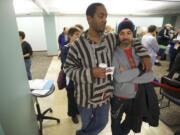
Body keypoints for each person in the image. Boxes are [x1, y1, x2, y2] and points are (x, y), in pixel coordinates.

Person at [64, 3, 151, 135]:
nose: (105, 19)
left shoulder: (110, 38)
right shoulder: (77, 45)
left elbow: (130, 39)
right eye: (101, 16)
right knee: (86, 125)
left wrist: (144, 55)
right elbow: (68, 69)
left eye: (106, 16)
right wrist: (91, 72)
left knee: (102, 122)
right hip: (85, 97)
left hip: (105, 95)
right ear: (89, 18)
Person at [111, 18, 156, 135]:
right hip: (119, 97)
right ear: (118, 35)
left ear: (133, 35)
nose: (125, 36)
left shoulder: (141, 52)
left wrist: (127, 76)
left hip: (137, 97)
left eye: (128, 33)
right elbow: (118, 78)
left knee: (130, 123)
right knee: (115, 124)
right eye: (122, 33)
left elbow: (151, 75)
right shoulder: (113, 53)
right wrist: (140, 69)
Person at [61, 27, 81, 124]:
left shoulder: (81, 47)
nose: (79, 36)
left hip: (80, 77)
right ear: (70, 36)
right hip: (71, 77)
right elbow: (65, 64)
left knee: (79, 95)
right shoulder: (66, 48)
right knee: (71, 96)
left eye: (80, 34)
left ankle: (78, 110)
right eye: (77, 34)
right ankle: (72, 114)